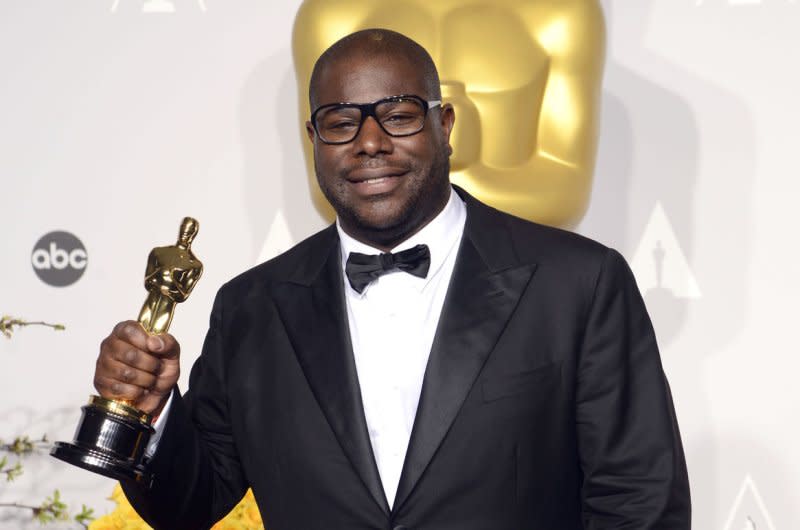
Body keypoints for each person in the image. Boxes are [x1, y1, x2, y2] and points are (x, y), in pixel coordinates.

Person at [94, 29, 691, 529]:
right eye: (340, 122)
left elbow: (639, 499)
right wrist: (148, 418)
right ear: (313, 141)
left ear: (446, 124)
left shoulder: (578, 284)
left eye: (399, 115)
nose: (370, 143)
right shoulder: (252, 306)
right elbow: (191, 503)